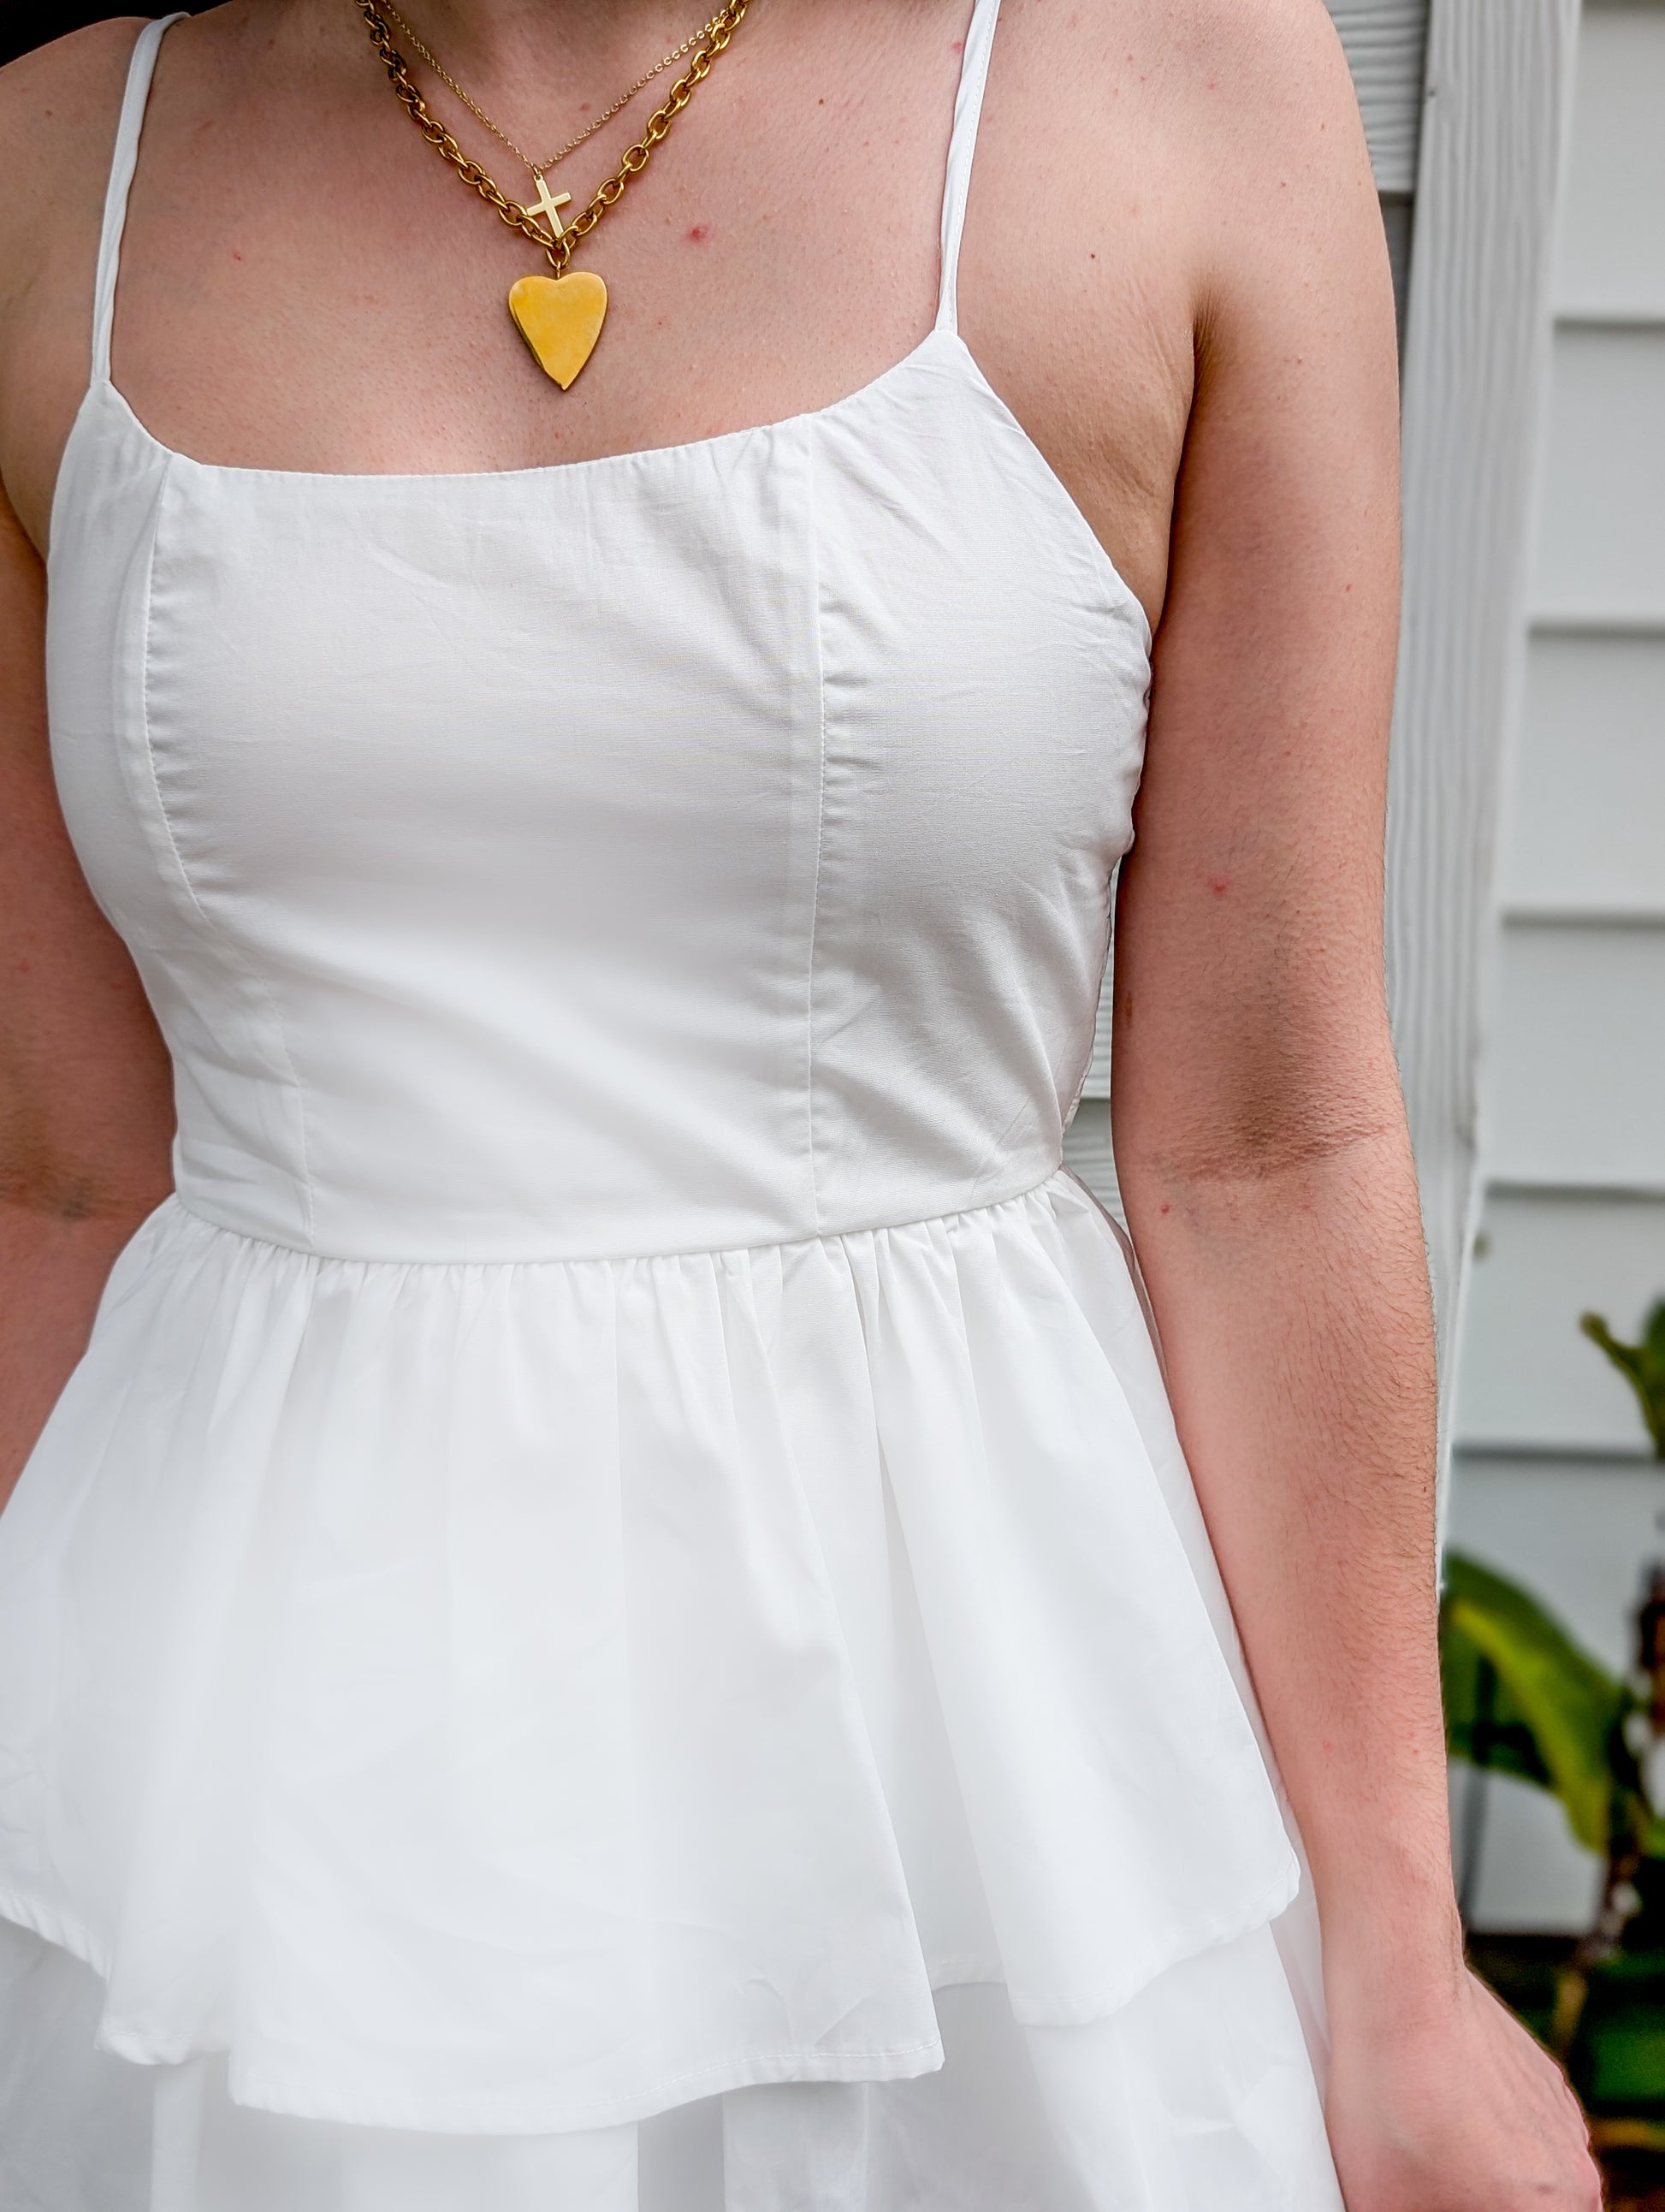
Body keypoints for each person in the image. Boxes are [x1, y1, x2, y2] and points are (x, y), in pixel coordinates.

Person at [0, 1, 1603, 2206]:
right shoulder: (46, 170)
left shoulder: (1177, 92)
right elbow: (61, 1182)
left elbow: (1261, 1144)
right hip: (235, 1758)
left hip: (965, 1725)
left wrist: (1404, 1966)